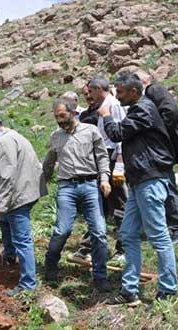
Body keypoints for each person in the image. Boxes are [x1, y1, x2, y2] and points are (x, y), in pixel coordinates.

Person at [98, 73, 178, 305]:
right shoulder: (139, 109)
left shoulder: (143, 109)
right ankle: (129, 290)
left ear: (134, 92)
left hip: (149, 180)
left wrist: (106, 116)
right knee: (128, 234)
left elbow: (117, 134)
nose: (117, 96)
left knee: (159, 237)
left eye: (120, 92)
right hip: (139, 182)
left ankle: (168, 291)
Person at [42, 99, 112, 292]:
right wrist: (42, 182)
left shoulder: (90, 131)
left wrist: (105, 179)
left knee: (98, 232)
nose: (59, 120)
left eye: (62, 115)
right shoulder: (56, 136)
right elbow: (49, 161)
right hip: (66, 187)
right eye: (56, 116)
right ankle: (50, 266)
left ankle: (100, 276)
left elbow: (102, 156)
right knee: (62, 230)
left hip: (90, 185)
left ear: (73, 112)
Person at [0, 114, 45, 297]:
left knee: (22, 240)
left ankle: (27, 285)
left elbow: (8, 176)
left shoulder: (4, 142)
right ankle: (9, 258)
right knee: (7, 224)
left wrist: (1, 204)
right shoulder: (14, 135)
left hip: (18, 196)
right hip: (24, 192)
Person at [68, 76, 128, 267]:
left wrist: (119, 165)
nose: (88, 96)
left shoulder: (113, 105)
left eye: (90, 92)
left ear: (98, 89)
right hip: (99, 159)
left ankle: (124, 248)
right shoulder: (98, 108)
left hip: (111, 159)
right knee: (98, 204)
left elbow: (120, 136)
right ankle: (87, 248)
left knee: (118, 203)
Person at [138, 72, 178, 244]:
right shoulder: (149, 95)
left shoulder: (154, 90)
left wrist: (156, 132)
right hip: (160, 149)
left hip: (163, 149)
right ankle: (171, 227)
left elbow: (170, 111)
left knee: (168, 187)